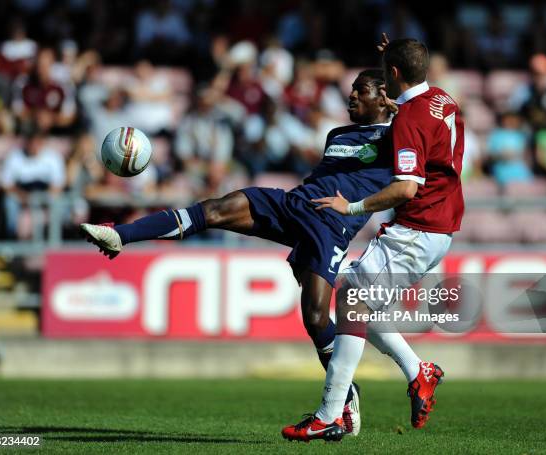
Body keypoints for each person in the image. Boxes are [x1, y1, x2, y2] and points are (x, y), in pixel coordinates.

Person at [80, 70, 398, 436]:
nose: (352, 96)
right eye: (352, 89)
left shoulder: (394, 136)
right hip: (293, 203)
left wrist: (401, 105)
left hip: (331, 225)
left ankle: (344, 395)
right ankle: (120, 236)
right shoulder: (337, 135)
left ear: (384, 97)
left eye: (362, 90)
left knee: (314, 317)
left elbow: (431, 126)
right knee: (214, 209)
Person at [282, 37, 464, 442]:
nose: (381, 83)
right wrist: (391, 56)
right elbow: (414, 104)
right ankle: (419, 372)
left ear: (394, 75)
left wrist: (351, 208)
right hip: (438, 223)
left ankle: (330, 413)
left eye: (385, 75)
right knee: (356, 295)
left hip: (419, 228)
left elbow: (405, 190)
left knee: (350, 300)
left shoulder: (409, 119)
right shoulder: (441, 98)